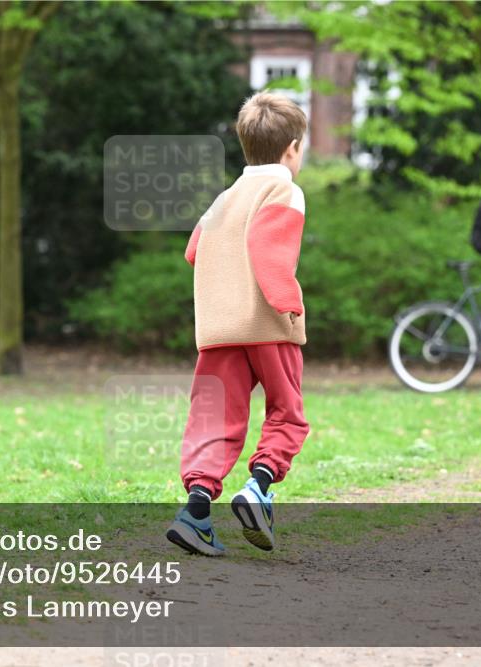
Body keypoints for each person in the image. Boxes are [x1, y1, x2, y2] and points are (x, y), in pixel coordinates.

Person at [166, 92, 310, 556]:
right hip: (267, 323)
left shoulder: (226, 196)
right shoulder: (284, 188)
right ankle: (260, 487)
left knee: (215, 417)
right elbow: (269, 249)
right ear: (292, 148)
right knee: (287, 412)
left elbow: (193, 251)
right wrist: (286, 300)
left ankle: (197, 512)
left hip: (219, 329)